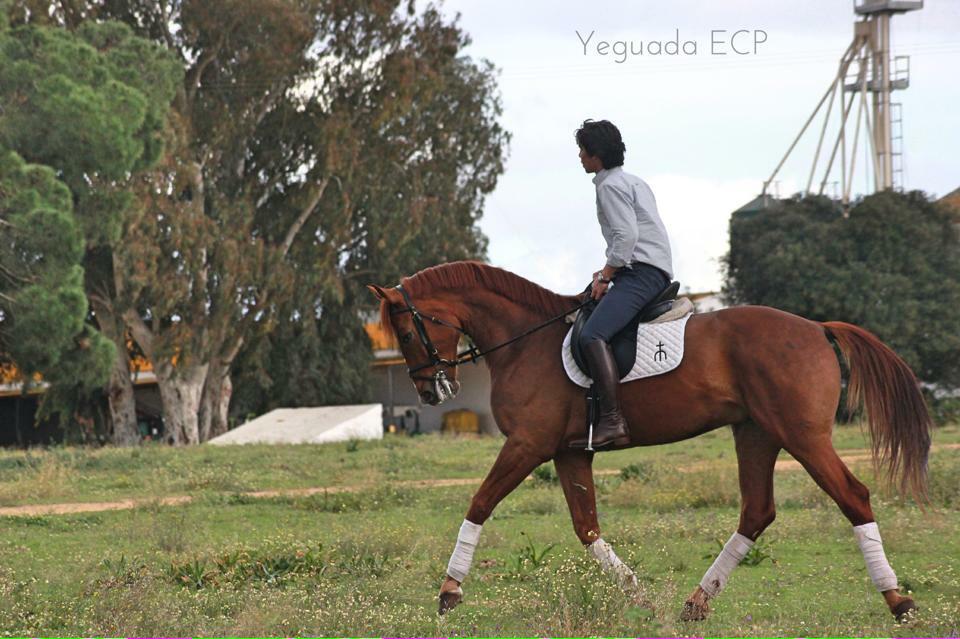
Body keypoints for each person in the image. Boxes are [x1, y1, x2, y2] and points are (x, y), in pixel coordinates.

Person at [570, 119, 674, 449]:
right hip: (648, 269)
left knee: (592, 334)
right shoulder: (633, 181)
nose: (580, 157)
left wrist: (606, 275)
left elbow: (625, 236)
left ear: (596, 156)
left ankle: (613, 422)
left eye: (582, 151)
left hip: (640, 273)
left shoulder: (609, 187)